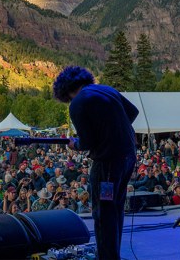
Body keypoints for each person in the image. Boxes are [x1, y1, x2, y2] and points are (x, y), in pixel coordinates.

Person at [53, 66, 138, 260]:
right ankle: (113, 254)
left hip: (107, 164)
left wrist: (75, 144)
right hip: (128, 158)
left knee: (103, 214)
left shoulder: (78, 103)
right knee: (116, 208)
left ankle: (107, 257)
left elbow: (87, 142)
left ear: (66, 92)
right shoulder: (108, 90)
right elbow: (132, 113)